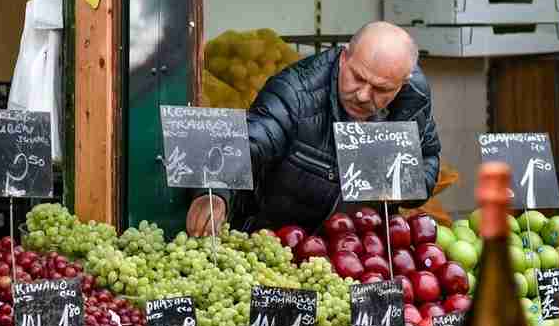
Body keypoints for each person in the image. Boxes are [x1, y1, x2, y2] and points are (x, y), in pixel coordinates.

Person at [188, 21, 441, 235]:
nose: (364, 95)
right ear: (344, 57)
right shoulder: (296, 91)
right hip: (283, 241)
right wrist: (216, 192)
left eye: (381, 89)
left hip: (360, 250)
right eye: (357, 77)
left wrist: (400, 184)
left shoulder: (413, 95)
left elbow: (427, 157)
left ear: (401, 84)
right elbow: (250, 141)